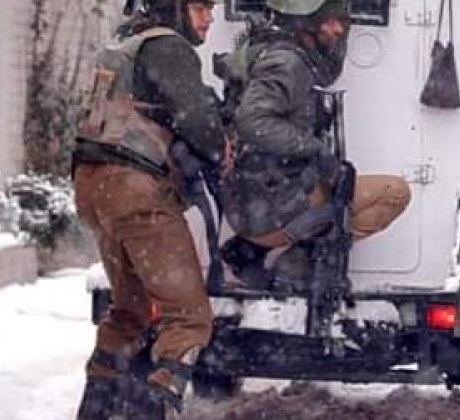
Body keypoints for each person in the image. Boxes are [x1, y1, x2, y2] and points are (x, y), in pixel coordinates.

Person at [70, 0, 226, 417]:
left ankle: (97, 408)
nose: (209, 17)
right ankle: (151, 409)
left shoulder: (126, 44)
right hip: (135, 190)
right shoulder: (168, 46)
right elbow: (198, 122)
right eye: (200, 7)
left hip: (95, 188)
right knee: (189, 319)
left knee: (131, 312)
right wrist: (222, 148)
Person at [217, 0, 411, 290]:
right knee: (395, 192)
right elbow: (253, 121)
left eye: (342, 21)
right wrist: (315, 150)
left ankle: (249, 252)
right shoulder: (288, 63)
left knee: (340, 186)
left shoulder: (269, 50)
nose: (338, 29)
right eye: (329, 21)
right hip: (275, 204)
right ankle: (298, 263)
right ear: (305, 23)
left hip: (255, 200)